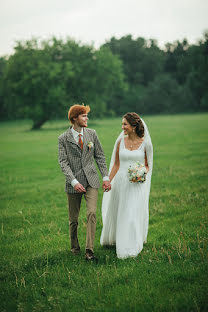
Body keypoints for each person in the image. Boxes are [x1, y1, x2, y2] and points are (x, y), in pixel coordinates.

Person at [58, 104, 111, 261]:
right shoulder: (63, 139)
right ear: (74, 118)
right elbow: (63, 163)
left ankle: (89, 251)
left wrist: (106, 178)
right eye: (84, 116)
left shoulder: (92, 134)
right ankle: (75, 248)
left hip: (91, 181)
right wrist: (73, 182)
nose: (87, 118)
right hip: (73, 184)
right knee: (73, 220)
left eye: (87, 115)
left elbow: (100, 156)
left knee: (91, 213)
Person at [100, 112, 153, 259]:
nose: (122, 127)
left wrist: (141, 172)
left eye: (125, 124)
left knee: (130, 213)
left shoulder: (146, 144)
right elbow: (116, 164)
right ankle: (116, 239)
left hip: (136, 184)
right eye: (122, 124)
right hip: (120, 182)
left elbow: (148, 166)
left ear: (134, 126)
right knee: (120, 210)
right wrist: (108, 180)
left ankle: (131, 245)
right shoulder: (120, 142)